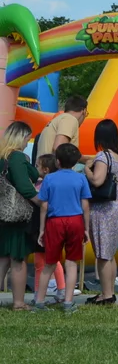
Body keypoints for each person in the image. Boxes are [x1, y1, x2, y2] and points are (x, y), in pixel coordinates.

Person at [32, 143, 90, 312]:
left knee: (49, 263)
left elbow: (44, 206)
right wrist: (86, 228)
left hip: (55, 222)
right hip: (75, 221)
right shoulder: (80, 178)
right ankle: (68, 302)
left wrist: (42, 230)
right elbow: (85, 205)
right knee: (72, 264)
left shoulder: (49, 179)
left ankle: (40, 302)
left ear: (57, 162)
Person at [86, 119, 118, 305]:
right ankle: (109, 291)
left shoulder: (103, 157)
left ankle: (106, 295)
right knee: (111, 252)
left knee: (103, 254)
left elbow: (97, 181)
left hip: (103, 209)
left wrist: (87, 171)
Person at [0, 122, 38, 311]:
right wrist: (43, 203)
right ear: (21, 137)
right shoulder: (17, 158)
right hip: (17, 216)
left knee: (2, 258)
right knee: (18, 259)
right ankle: (19, 302)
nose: (27, 142)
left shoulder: (2, 157)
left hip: (2, 213)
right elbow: (25, 187)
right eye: (27, 138)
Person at [33, 154, 75, 300]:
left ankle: (40, 294)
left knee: (42, 261)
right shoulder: (48, 183)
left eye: (37, 166)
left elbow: (44, 205)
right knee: (49, 260)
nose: (35, 168)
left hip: (45, 226)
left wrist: (42, 230)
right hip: (50, 226)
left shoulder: (44, 184)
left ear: (45, 169)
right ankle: (61, 289)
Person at [36, 95, 92, 165]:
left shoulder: (59, 119)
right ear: (83, 111)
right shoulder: (70, 119)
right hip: (54, 172)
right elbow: (60, 149)